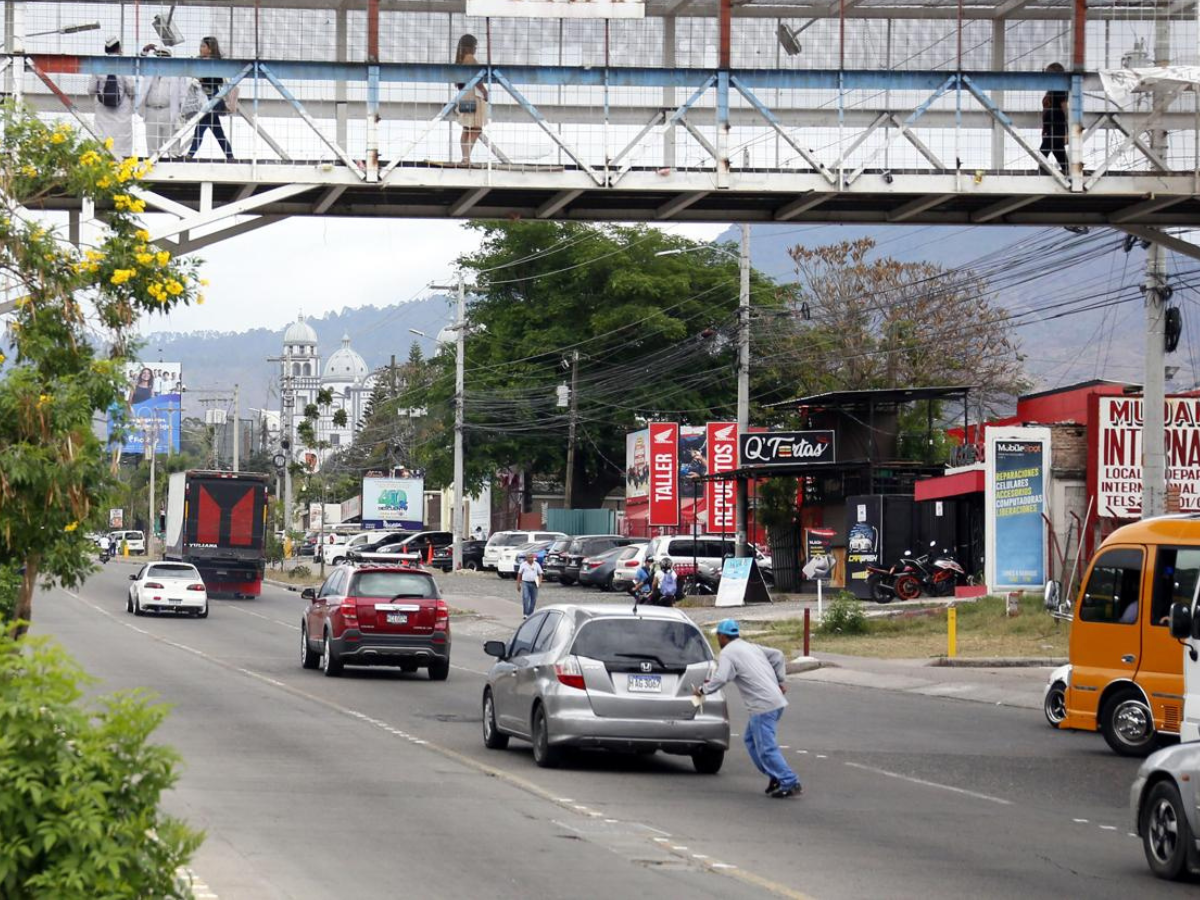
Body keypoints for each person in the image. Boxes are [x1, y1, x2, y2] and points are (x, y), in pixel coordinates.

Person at [696, 619, 801, 799]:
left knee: (766, 748)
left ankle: (788, 780)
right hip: (775, 701)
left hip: (763, 706)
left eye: (718, 637)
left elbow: (721, 678)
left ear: (722, 636)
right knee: (751, 740)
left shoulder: (728, 652)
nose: (718, 640)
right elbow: (778, 655)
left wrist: (702, 690)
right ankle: (775, 775)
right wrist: (779, 680)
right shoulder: (750, 646)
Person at [186, 36, 234, 161]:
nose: (200, 49)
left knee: (201, 126)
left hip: (212, 97)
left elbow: (218, 80)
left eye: (203, 46)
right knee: (217, 130)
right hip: (203, 97)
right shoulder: (199, 61)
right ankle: (230, 156)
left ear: (210, 49)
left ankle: (190, 154)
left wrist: (203, 78)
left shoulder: (216, 63)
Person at [91, 37, 136, 158]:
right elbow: (131, 88)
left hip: (102, 112)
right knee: (121, 141)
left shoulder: (99, 65)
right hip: (121, 113)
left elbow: (91, 89)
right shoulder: (123, 65)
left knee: (103, 140)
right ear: (119, 49)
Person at [138, 45, 185, 157]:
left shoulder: (176, 73)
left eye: (163, 56)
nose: (160, 59)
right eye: (158, 56)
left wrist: (181, 114)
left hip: (168, 112)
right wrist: (144, 52)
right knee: (152, 149)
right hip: (151, 112)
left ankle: (172, 173)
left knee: (173, 148)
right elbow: (139, 67)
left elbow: (183, 94)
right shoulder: (150, 70)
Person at [453, 34, 488, 165]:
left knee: (467, 128)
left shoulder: (460, 59)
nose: (475, 49)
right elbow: (476, 78)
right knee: (476, 128)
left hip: (464, 94)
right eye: (475, 46)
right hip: (473, 94)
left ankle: (465, 158)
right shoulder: (470, 59)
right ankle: (466, 159)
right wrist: (484, 91)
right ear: (470, 46)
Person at [1039, 62, 1069, 172]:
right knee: (1058, 152)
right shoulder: (1052, 89)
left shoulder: (1059, 89)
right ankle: (1068, 173)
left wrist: (1068, 131)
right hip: (1051, 127)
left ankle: (1039, 175)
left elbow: (1065, 109)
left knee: (1043, 152)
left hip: (1056, 127)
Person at [517, 550, 542, 618]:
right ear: (526, 558)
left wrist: (539, 582)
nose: (530, 558)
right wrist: (518, 584)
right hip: (525, 582)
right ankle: (525, 613)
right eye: (529, 557)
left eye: (532, 557)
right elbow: (519, 574)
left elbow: (540, 574)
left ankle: (530, 613)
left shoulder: (536, 564)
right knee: (525, 597)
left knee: (533, 599)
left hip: (534, 583)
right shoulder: (523, 565)